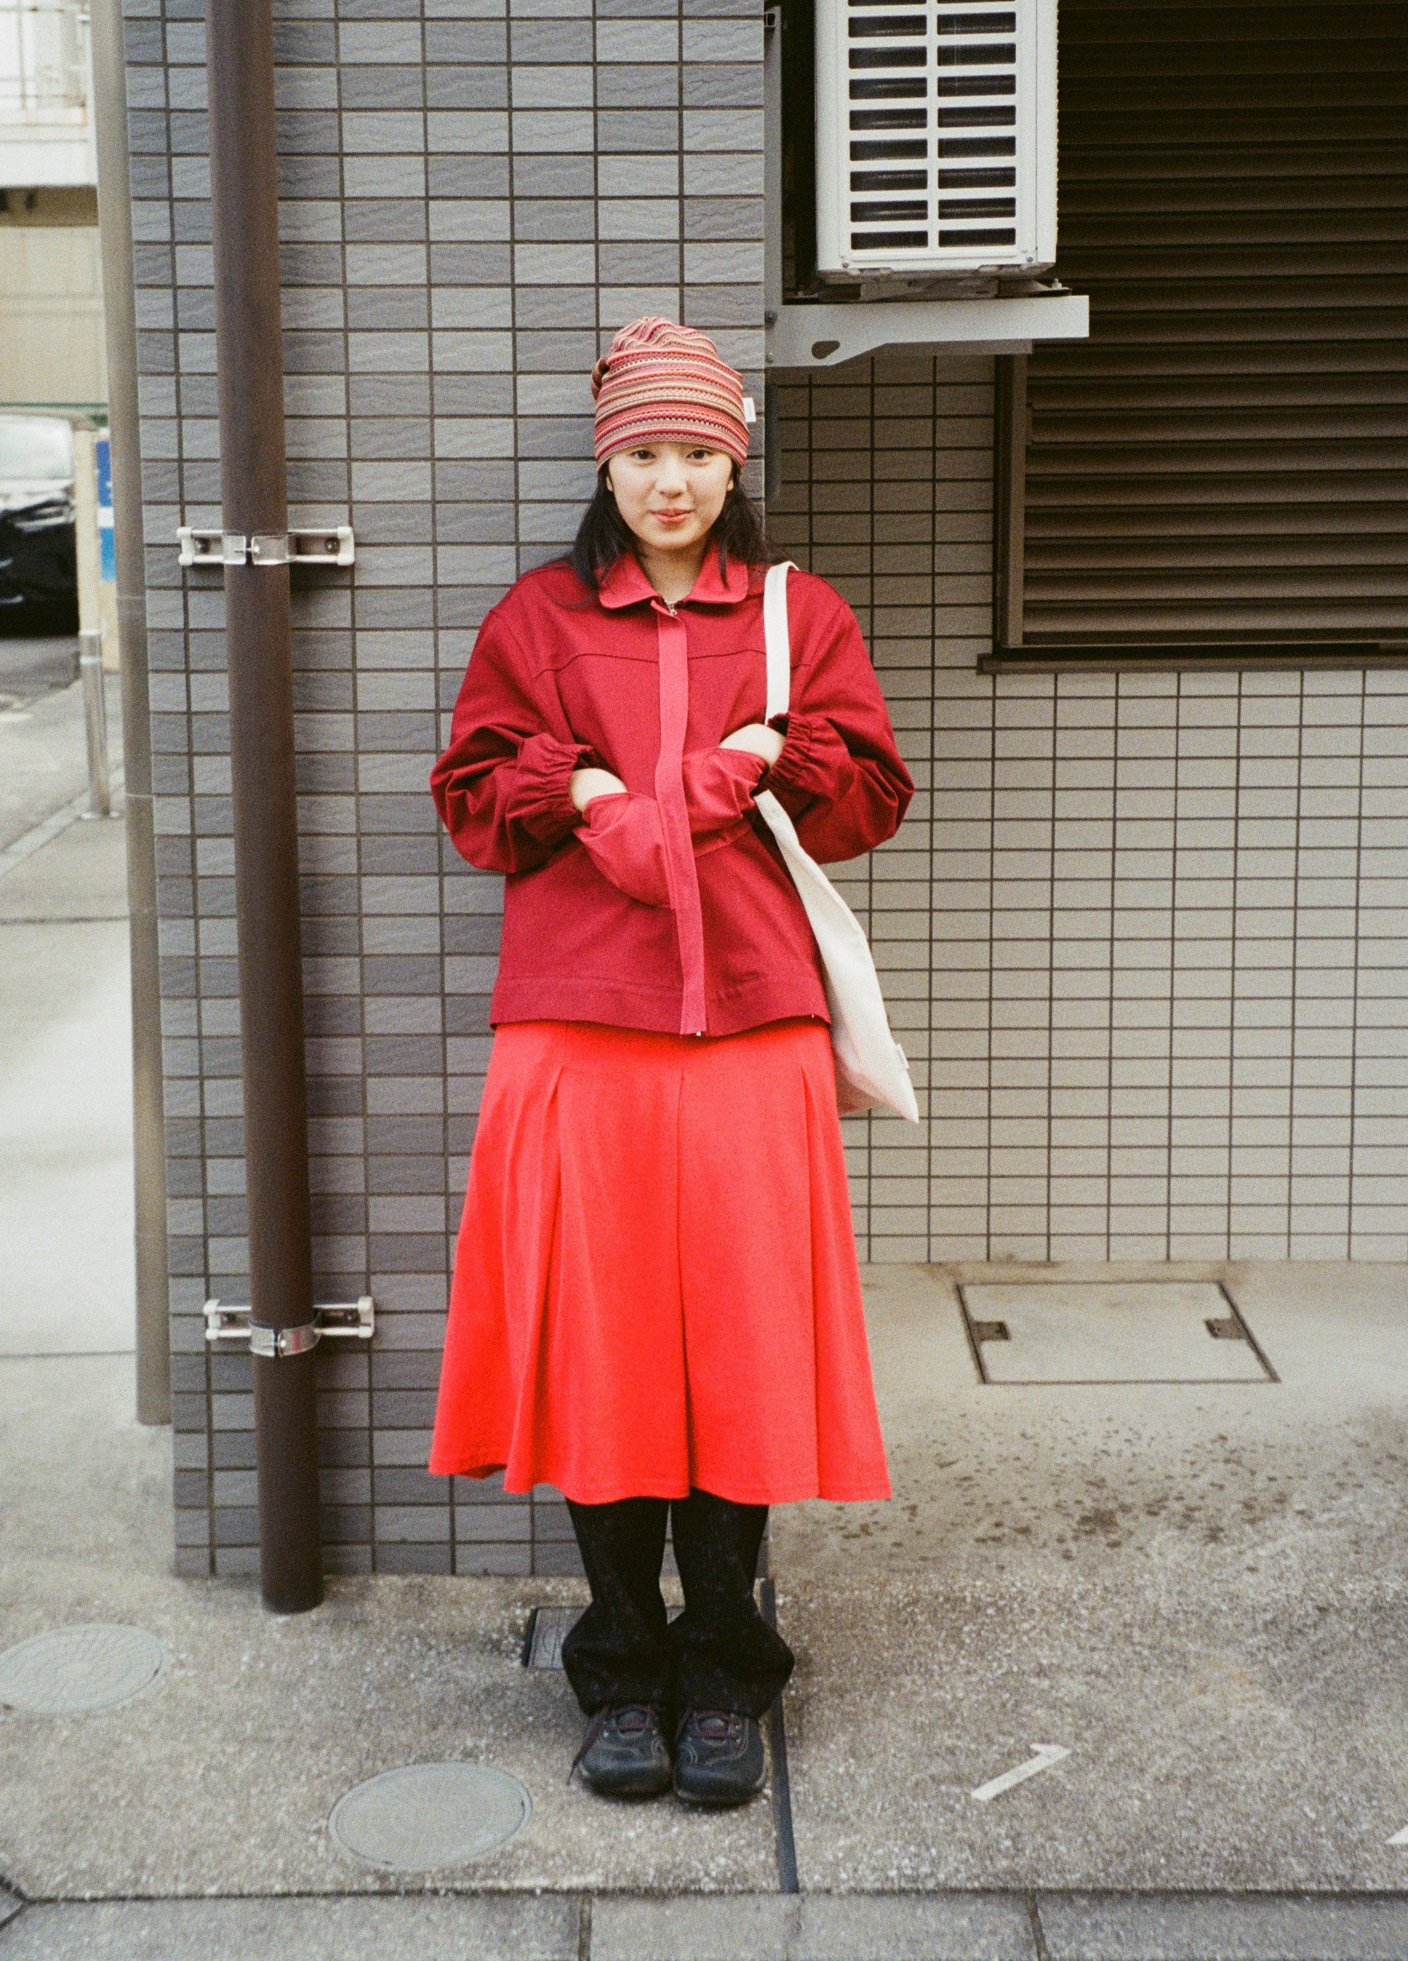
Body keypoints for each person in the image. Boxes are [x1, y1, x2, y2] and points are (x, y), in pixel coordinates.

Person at [428, 316, 913, 1808]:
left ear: (735, 461)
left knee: (742, 1361)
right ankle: (623, 1669)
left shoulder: (797, 617)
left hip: (755, 1034)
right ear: (607, 464)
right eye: (644, 451)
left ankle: (726, 1672)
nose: (672, 480)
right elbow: (468, 796)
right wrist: (577, 787)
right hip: (577, 1037)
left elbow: (872, 799)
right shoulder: (536, 618)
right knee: (607, 1360)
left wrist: (774, 758)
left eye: (698, 450)